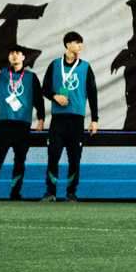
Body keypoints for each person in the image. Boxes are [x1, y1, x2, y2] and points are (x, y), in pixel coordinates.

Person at [0, 44, 45, 200]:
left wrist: (41, 119)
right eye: (11, 53)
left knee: (20, 160)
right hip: (5, 125)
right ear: (8, 57)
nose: (14, 55)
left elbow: (38, 99)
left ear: (23, 57)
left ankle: (15, 193)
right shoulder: (0, 74)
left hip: (23, 125)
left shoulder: (31, 77)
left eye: (17, 53)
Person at [41, 30, 98, 202]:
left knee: (74, 158)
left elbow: (92, 94)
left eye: (81, 43)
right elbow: (45, 89)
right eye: (77, 43)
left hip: (76, 119)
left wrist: (94, 120)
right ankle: (50, 192)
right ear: (68, 44)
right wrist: (55, 96)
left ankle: (71, 193)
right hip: (58, 119)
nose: (80, 46)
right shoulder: (54, 65)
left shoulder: (85, 67)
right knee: (53, 156)